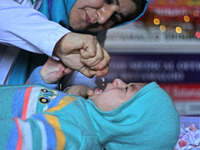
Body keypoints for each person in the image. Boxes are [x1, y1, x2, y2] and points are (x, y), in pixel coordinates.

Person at [0, 58, 180, 150]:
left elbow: (17, 139)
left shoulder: (77, 133)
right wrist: (44, 80)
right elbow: (25, 109)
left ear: (127, 123)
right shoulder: (81, 113)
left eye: (126, 89)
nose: (118, 80)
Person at [0, 0, 149, 85]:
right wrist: (60, 41)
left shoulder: (92, 33)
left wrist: (74, 94)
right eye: (108, 0)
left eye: (115, 18)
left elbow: (79, 83)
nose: (103, 18)